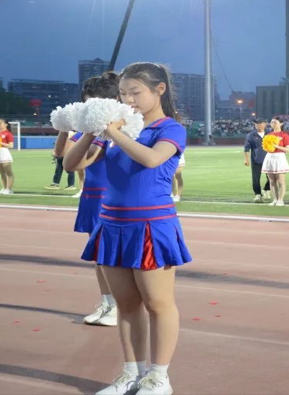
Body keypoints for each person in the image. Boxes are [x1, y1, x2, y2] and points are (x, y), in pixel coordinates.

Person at [64, 62, 192, 394]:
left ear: (159, 90)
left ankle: (159, 377)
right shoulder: (114, 130)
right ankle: (131, 374)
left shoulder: (170, 128)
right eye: (122, 94)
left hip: (151, 225)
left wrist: (115, 132)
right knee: (126, 305)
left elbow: (151, 159)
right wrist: (92, 130)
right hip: (111, 224)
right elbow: (71, 163)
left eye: (135, 92)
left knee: (158, 303)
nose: (128, 100)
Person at [60, 72, 120, 327]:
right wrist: (65, 126)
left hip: (110, 199)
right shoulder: (89, 130)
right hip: (92, 197)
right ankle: (107, 303)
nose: (88, 109)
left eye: (92, 103)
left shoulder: (117, 130)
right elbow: (62, 155)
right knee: (99, 256)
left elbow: (83, 160)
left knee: (111, 256)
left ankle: (119, 306)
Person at [261, 118, 289, 206]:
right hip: (269, 157)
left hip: (280, 157)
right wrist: (267, 147)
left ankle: (281, 200)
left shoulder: (284, 135)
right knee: (271, 181)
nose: (273, 124)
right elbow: (265, 147)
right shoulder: (268, 135)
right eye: (271, 122)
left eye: (275, 122)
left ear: (281, 124)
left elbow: (288, 149)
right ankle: (275, 199)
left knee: (281, 181)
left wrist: (275, 146)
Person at [243, 119, 271, 203]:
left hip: (269, 159)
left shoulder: (270, 133)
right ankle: (257, 194)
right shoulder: (251, 135)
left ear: (265, 124)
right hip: (256, 159)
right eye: (256, 124)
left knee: (272, 177)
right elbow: (246, 148)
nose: (258, 125)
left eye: (260, 123)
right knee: (255, 178)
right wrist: (246, 159)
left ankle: (266, 189)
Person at [0, 118, 15, 195]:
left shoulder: (8, 133)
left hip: (4, 153)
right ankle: (4, 188)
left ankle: (9, 189)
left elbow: (11, 146)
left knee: (8, 173)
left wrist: (0, 143)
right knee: (1, 173)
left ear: (6, 124)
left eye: (0, 123)